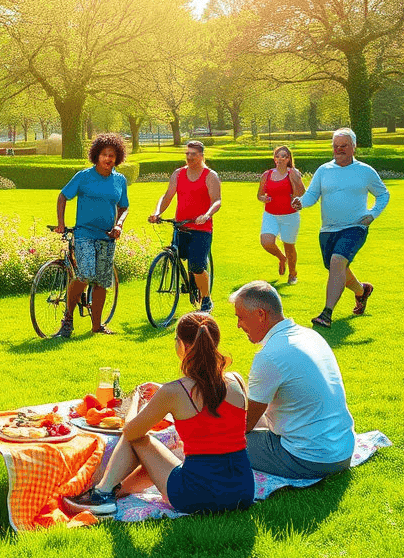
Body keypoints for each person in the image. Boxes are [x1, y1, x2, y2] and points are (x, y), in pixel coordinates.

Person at [68, 312, 254, 517]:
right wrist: (163, 392)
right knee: (156, 461)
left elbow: (130, 432)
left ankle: (101, 494)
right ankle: (114, 492)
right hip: (242, 492)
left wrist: (136, 399)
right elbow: (210, 398)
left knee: (139, 437)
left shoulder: (174, 392)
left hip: (197, 495)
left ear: (183, 346)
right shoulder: (236, 381)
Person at [230, 281, 355, 479]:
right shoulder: (310, 335)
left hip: (310, 459)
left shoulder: (269, 356)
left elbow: (245, 425)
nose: (238, 325)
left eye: (241, 317)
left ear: (260, 315)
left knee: (219, 445)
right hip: (342, 450)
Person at [291, 128, 390, 329]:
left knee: (337, 261)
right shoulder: (324, 170)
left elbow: (383, 194)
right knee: (338, 267)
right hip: (327, 230)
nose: (339, 149)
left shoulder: (365, 171)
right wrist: (301, 202)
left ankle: (326, 314)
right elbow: (312, 196)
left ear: (354, 147)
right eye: (336, 146)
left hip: (355, 227)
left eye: (343, 146)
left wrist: (372, 214)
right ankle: (362, 291)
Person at [53, 133, 129, 336]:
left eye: (112, 155)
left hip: (108, 237)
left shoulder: (120, 180)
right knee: (85, 274)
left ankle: (97, 326)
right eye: (104, 154)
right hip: (85, 234)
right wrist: (61, 223)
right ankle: (67, 319)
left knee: (102, 281)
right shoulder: (83, 176)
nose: (108, 159)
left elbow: (124, 207)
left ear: (117, 158)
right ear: (96, 156)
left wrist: (119, 225)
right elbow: (63, 196)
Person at [149, 140, 221, 313]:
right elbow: (167, 196)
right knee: (175, 254)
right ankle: (190, 281)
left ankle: (206, 299)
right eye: (187, 154)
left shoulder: (210, 176)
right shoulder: (178, 174)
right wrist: (157, 212)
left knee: (197, 265)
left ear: (202, 156)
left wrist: (207, 215)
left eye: (193, 154)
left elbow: (217, 200)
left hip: (201, 228)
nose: (189, 157)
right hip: (181, 226)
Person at [257, 145, 305, 284]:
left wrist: (295, 179)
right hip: (270, 214)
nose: (279, 159)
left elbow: (302, 192)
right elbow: (259, 195)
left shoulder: (293, 173)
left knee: (289, 245)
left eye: (283, 156)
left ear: (288, 158)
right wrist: (263, 198)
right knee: (266, 242)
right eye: (277, 156)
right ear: (274, 158)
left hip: (289, 215)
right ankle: (282, 258)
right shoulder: (267, 174)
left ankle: (293, 274)